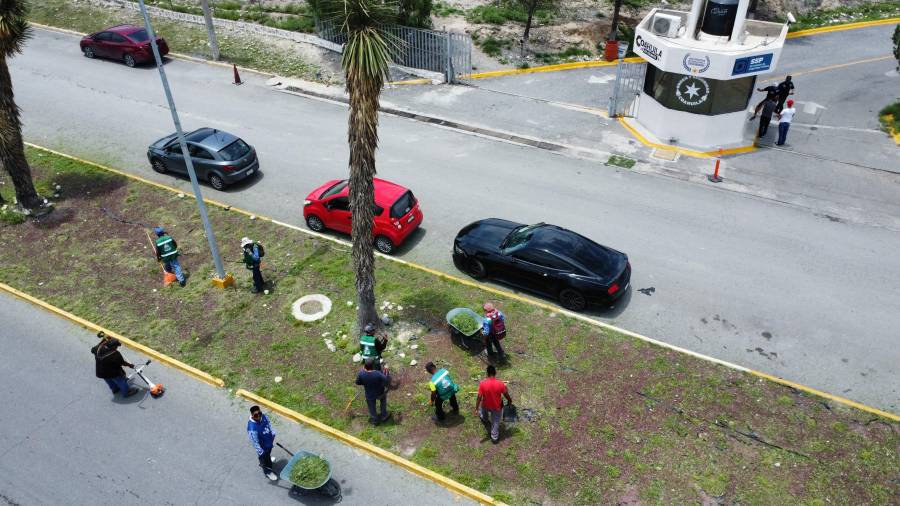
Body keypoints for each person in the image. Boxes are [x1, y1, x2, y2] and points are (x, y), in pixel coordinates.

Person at [91, 332, 138, 397]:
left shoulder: (98, 348)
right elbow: (122, 363)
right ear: (113, 346)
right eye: (116, 346)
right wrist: (130, 365)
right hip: (112, 372)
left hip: (100, 371)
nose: (117, 348)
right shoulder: (114, 354)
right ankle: (127, 392)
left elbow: (92, 350)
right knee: (120, 381)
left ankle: (115, 389)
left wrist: (102, 341)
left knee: (108, 379)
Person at [474, 365, 512, 444]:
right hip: (496, 407)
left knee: (483, 411)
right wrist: (509, 401)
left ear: (487, 373)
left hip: (485, 405)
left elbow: (479, 397)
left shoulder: (482, 384)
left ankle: (485, 419)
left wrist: (476, 408)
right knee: (495, 421)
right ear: (495, 373)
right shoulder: (500, 384)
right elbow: (506, 394)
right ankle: (494, 437)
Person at [247, 405, 278, 481]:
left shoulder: (263, 416)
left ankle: (268, 458)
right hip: (262, 448)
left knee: (268, 454)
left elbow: (268, 423)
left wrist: (273, 433)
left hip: (268, 442)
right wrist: (261, 452)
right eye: (256, 415)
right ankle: (268, 472)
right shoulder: (252, 428)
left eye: (259, 413)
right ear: (252, 415)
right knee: (265, 460)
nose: (258, 416)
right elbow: (255, 442)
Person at [356, 358, 390, 425]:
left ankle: (374, 420)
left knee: (371, 407)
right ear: (373, 366)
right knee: (383, 402)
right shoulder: (378, 374)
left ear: (365, 365)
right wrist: (386, 371)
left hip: (369, 394)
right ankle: (384, 415)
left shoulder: (361, 373)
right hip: (380, 392)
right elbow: (386, 380)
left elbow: (357, 382)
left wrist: (365, 383)